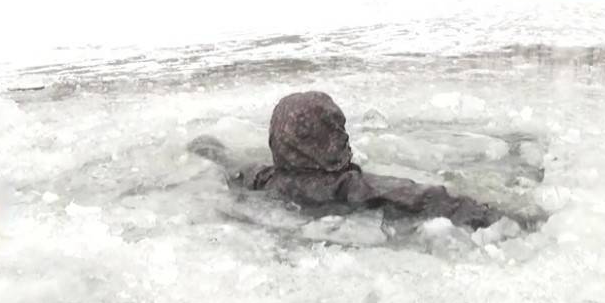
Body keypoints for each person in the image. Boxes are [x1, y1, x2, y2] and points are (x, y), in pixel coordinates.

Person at [188, 91, 522, 229]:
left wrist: (207, 147)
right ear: (328, 137)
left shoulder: (267, 178)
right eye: (336, 129)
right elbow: (422, 197)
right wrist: (511, 217)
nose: (344, 136)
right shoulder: (351, 187)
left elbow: (228, 162)